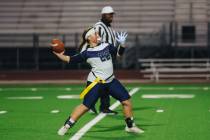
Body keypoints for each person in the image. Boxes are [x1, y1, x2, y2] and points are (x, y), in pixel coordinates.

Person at [53, 27, 144, 135]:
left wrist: (122, 44)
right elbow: (70, 59)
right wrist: (59, 54)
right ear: (89, 38)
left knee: (126, 101)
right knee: (85, 106)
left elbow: (119, 54)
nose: (97, 34)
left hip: (111, 81)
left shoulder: (107, 46)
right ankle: (67, 125)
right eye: (95, 33)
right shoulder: (87, 53)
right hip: (96, 83)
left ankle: (130, 126)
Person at [79, 6, 118, 115]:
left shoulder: (109, 28)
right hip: (99, 57)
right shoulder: (99, 26)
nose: (111, 16)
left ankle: (102, 106)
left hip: (106, 58)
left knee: (105, 81)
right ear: (103, 15)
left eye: (112, 14)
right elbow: (92, 40)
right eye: (109, 14)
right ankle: (91, 104)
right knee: (101, 81)